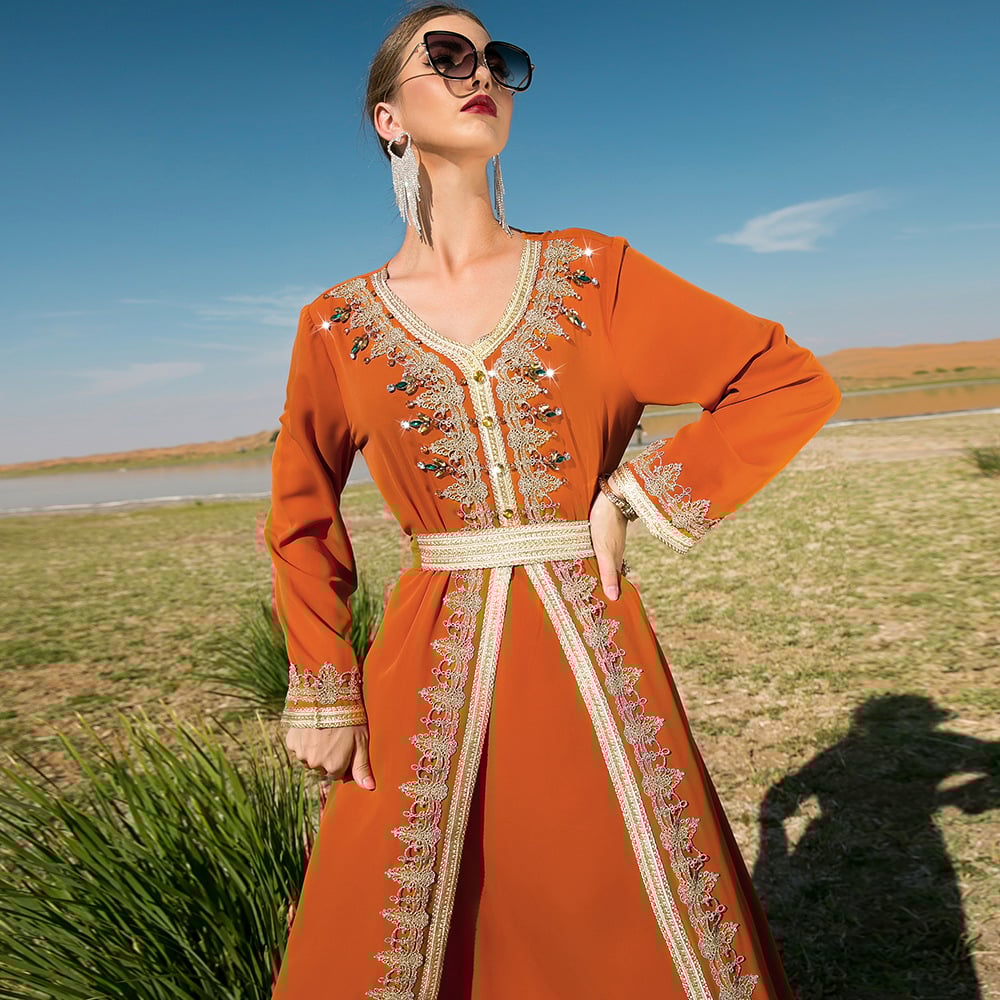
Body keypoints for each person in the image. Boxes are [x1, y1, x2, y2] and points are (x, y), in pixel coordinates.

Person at [267, 4, 841, 998]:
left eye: (497, 59)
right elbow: (301, 514)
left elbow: (784, 379)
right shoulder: (336, 325)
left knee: (622, 902)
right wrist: (326, 686)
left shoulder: (592, 276)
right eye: (447, 57)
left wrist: (633, 494)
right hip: (423, 661)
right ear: (387, 117)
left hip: (594, 656)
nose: (480, 74)